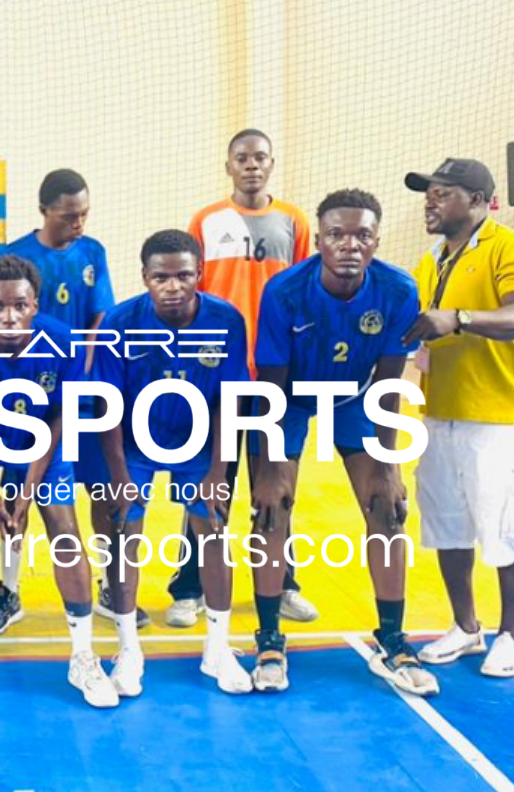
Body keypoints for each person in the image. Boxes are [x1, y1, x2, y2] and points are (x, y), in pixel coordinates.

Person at [248, 190, 436, 696]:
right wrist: (270, 467)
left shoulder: (398, 290)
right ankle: (269, 638)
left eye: (362, 235)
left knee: (388, 509)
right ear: (319, 239)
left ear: (376, 240)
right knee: (270, 510)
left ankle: (392, 637)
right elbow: (271, 384)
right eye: (337, 234)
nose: (349, 245)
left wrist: (389, 465)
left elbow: (389, 381)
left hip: (354, 397)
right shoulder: (285, 291)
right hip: (289, 398)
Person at [0, 255, 116, 710]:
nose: (8, 316)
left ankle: (83, 657)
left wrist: (26, 492)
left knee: (65, 533)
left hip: (42, 438)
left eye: (19, 306)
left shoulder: (64, 343)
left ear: (35, 306)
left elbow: (61, 415)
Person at [169, 129, 318, 628]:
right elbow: (189, 293)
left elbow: (306, 293)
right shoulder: (206, 221)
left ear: (272, 164)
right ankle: (189, 586)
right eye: (242, 158)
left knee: (275, 482)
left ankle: (283, 583)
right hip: (217, 375)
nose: (251, 165)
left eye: (259, 157)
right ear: (228, 165)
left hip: (276, 373)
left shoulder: (294, 221)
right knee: (207, 480)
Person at [402, 158, 514, 678]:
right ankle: (466, 627)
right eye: (428, 192)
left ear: (479, 201)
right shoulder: (433, 260)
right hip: (440, 412)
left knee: (508, 524)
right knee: (448, 524)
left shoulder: (508, 247)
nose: (430, 201)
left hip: (498, 414)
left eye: (443, 193)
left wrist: (459, 319)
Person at [95, 230, 252, 698]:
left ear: (199, 273)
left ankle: (217, 650)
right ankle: (128, 651)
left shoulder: (226, 319)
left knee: (214, 533)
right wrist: (118, 475)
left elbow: (230, 399)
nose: (172, 286)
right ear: (145, 277)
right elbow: (107, 403)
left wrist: (220, 471)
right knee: (125, 535)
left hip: (198, 439)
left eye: (183, 275)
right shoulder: (120, 321)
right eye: (160, 277)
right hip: (136, 440)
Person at [0, 169, 127, 634]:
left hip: (83, 390)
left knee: (101, 490)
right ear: (44, 211)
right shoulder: (14, 256)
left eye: (84, 214)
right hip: (29, 397)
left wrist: (80, 370)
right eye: (70, 216)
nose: (79, 223)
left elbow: (99, 317)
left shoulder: (93, 252)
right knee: (19, 493)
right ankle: (8, 590)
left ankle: (109, 586)